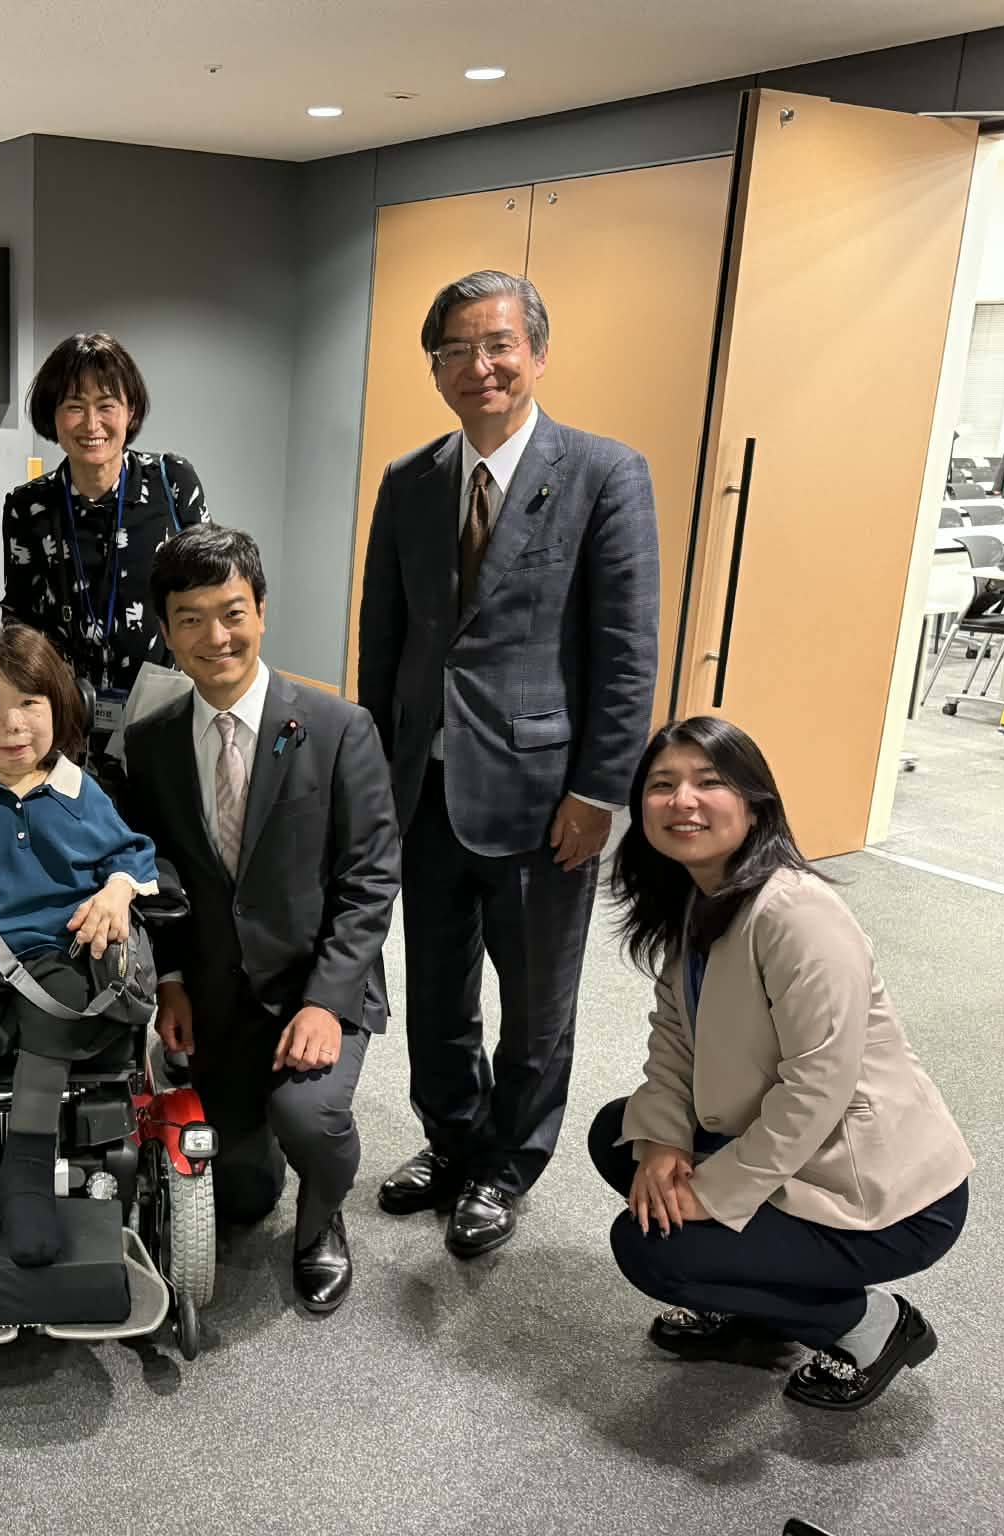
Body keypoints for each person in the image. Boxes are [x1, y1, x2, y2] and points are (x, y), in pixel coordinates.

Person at [360, 269, 659, 1258]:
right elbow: (383, 642)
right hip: (425, 790)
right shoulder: (408, 481)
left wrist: (598, 791)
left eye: (496, 345)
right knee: (436, 990)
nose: (477, 365)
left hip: (543, 801)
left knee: (535, 1005)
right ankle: (450, 1141)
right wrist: (374, 779)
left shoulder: (604, 474)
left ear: (535, 352)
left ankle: (506, 1166)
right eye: (455, 349)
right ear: (435, 367)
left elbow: (625, 653)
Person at [590, 716, 972, 1411]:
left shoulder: (797, 914)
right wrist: (665, 1143)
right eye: (662, 784)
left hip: (884, 1194)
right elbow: (675, 1036)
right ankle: (753, 1302)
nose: (682, 801)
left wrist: (712, 1195)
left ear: (755, 803)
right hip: (792, 1153)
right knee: (622, 1136)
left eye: (709, 782)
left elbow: (818, 1087)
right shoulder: (697, 898)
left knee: (654, 1249)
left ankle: (870, 1324)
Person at [121, 526, 399, 1314]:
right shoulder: (149, 743)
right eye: (191, 619)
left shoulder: (339, 728)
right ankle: (258, 1143)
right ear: (166, 630)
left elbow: (371, 878)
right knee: (241, 1195)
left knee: (308, 1118)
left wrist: (326, 1002)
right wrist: (171, 981)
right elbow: (154, 876)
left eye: (232, 613)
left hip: (315, 982)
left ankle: (322, 1217)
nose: (216, 637)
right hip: (216, 992)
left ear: (262, 611)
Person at [0, 625, 159, 1268]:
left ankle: (26, 1177)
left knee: (59, 1009)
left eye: (29, 703)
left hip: (56, 950)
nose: (12, 724)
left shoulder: (80, 791)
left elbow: (131, 853)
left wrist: (115, 892)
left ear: (57, 710)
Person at [0, 332, 207, 761]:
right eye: (74, 406)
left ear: (130, 411)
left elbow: (208, 593)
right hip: (64, 717)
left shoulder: (172, 481)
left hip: (162, 711)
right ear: (53, 416)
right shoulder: (28, 506)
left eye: (106, 405)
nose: (91, 424)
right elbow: (19, 619)